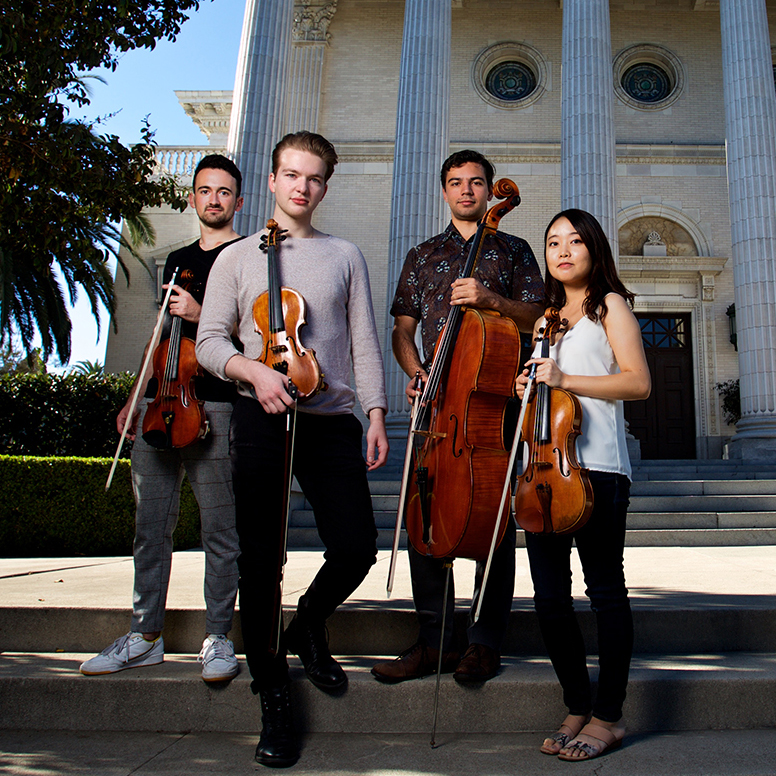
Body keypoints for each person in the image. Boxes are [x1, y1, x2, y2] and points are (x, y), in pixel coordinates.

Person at [196, 131, 388, 768]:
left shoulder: (343, 254)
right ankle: (271, 691)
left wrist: (378, 413)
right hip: (262, 415)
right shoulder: (237, 257)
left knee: (358, 545)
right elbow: (209, 342)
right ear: (273, 181)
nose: (301, 186)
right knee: (259, 562)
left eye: (313, 178)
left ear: (324, 187)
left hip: (331, 419)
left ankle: (307, 624)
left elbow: (364, 340)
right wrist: (253, 373)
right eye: (290, 174)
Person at [371, 150, 544, 685]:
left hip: (495, 406)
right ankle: (435, 641)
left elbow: (540, 315)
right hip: (436, 409)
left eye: (476, 183)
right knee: (424, 518)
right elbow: (403, 329)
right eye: (455, 182)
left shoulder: (513, 249)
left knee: (493, 522)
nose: (466, 191)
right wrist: (416, 369)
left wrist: (490, 298)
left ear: (493, 192)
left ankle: (484, 642)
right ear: (444, 190)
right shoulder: (423, 254)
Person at [80, 154, 244, 683]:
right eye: (205, 191)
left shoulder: (247, 258)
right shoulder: (175, 259)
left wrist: (202, 315)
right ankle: (144, 634)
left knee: (221, 530)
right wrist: (135, 397)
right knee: (150, 528)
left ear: (238, 201)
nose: (213, 200)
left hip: (216, 405)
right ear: (193, 197)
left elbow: (263, 340)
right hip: (160, 405)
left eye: (224, 192)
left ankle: (218, 637)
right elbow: (157, 341)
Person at [515, 209, 651, 761]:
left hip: (597, 472)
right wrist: (529, 381)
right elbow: (545, 399)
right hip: (544, 471)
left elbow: (638, 382)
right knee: (549, 598)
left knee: (605, 594)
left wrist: (565, 377)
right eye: (553, 242)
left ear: (593, 249)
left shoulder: (608, 306)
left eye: (574, 241)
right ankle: (577, 702)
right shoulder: (545, 317)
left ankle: (610, 716)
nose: (563, 250)